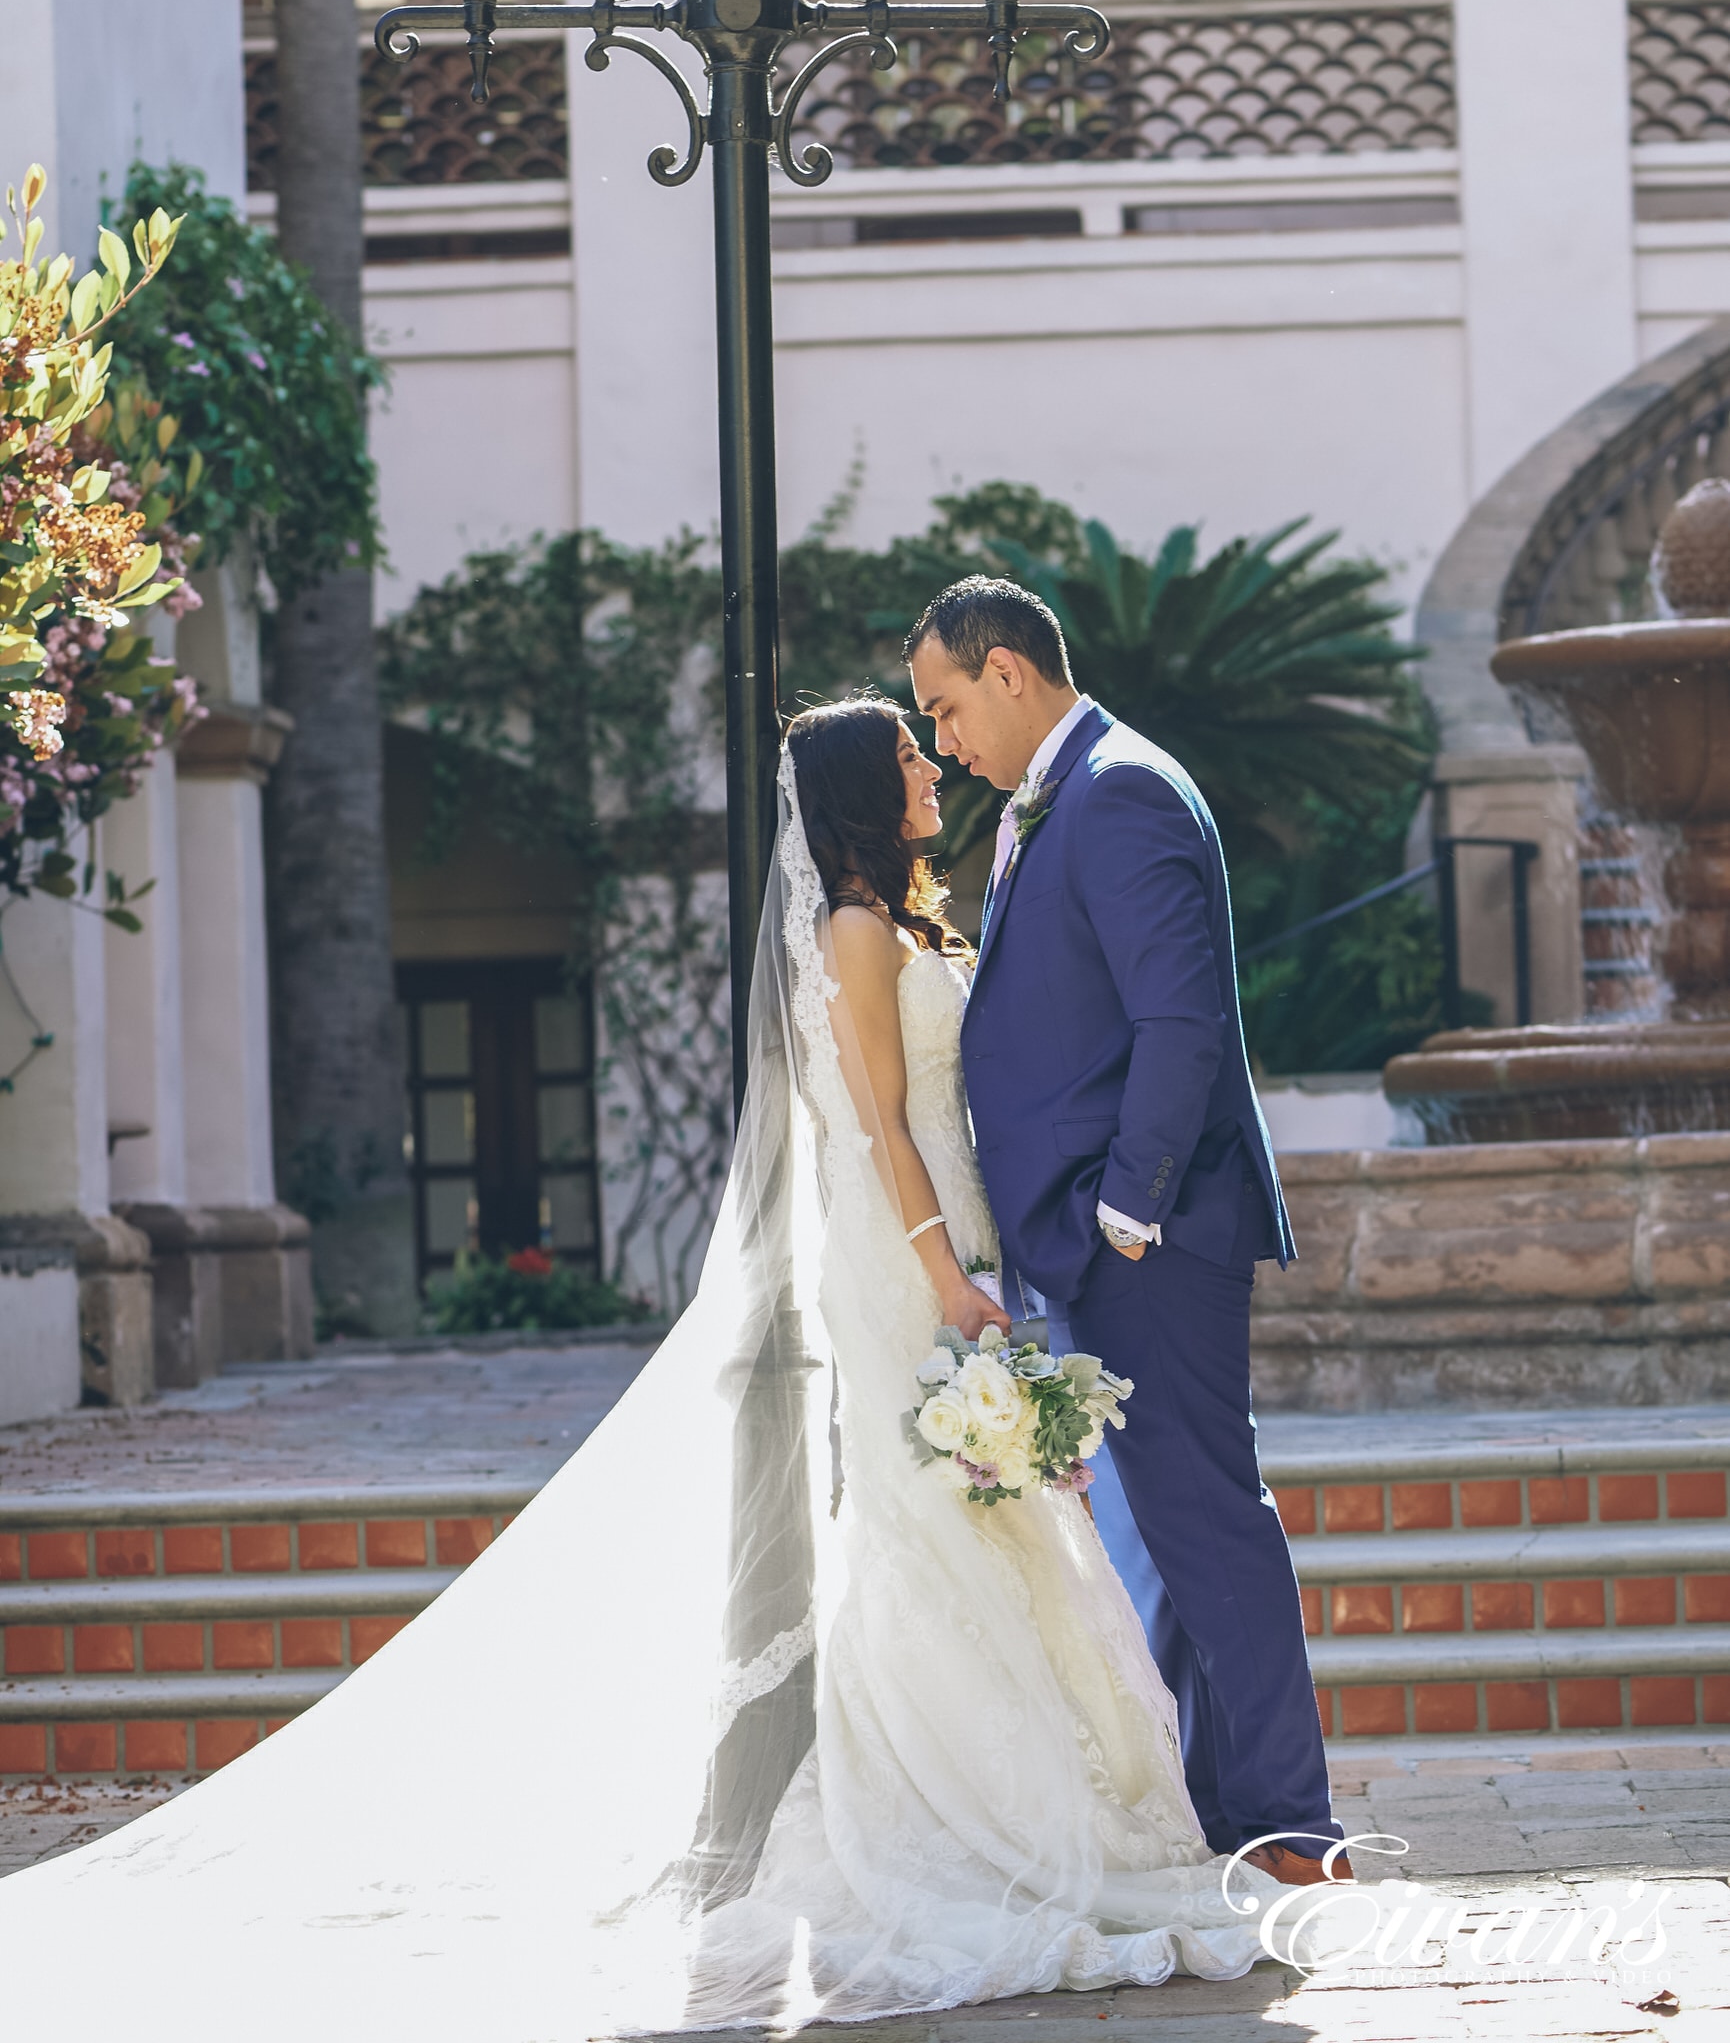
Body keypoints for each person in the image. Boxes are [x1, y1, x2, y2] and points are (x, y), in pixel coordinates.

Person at [0, 698, 1277, 2040]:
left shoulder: (899, 919)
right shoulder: (850, 929)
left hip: (954, 1237)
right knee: (940, 1516)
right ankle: (953, 1819)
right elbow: (881, 1123)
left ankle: (1062, 1802)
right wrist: (942, 1272)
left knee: (990, 1510)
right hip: (907, 1249)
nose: (929, 766)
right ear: (856, 786)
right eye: (906, 753)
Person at [907, 577, 1348, 1889]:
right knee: (1163, 1529)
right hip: (1089, 1241)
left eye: (942, 708)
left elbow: (1178, 1020)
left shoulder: (1123, 789)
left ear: (1003, 670)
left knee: (1205, 1520)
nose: (940, 744)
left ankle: (1289, 1828)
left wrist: (1127, 1207)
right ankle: (1230, 1811)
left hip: (1146, 1236)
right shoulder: (1063, 794)